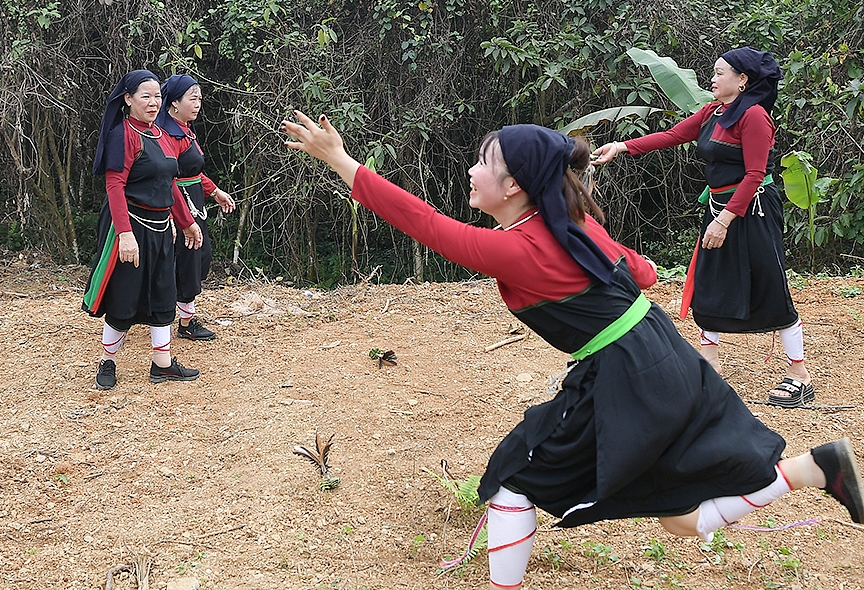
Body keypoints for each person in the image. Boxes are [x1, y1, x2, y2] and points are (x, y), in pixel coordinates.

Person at [282, 110, 863, 590]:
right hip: (662, 357)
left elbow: (428, 225)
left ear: (513, 185)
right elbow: (645, 274)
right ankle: (818, 467)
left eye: (483, 162)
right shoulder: (571, 223)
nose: (471, 170)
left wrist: (341, 160)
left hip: (628, 374)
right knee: (681, 515)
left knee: (515, 479)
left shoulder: (526, 247)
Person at [592, 48, 811, 406]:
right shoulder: (714, 112)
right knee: (709, 281)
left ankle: (799, 375)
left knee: (769, 282)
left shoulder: (754, 117)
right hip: (719, 206)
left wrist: (724, 221)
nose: (712, 78)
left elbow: (755, 174)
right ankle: (709, 369)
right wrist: (622, 146)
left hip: (752, 210)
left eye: (720, 72)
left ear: (742, 81)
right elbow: (674, 135)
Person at [83, 70, 205, 390]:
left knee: (164, 293)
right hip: (132, 227)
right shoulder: (123, 134)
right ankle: (108, 361)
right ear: (128, 99)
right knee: (124, 297)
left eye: (157, 97)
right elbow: (114, 185)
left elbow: (171, 184)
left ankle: (162, 365)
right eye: (145, 97)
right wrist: (124, 234)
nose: (153, 103)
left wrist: (186, 222)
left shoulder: (163, 136)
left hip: (162, 229)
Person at [156, 74, 236, 342]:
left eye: (200, 98)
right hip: (175, 203)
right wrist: (170, 213)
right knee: (182, 260)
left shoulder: (187, 130)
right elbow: (165, 176)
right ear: (175, 103)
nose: (198, 103)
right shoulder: (166, 135)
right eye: (193, 98)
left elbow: (194, 172)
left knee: (199, 258)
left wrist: (215, 192)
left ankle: (182, 316)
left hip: (194, 201)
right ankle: (178, 320)